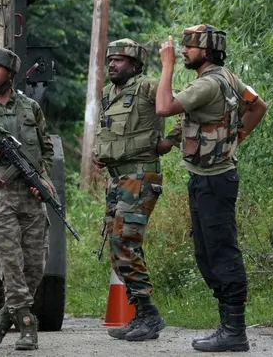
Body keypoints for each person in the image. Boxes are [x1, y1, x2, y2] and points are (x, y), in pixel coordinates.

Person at [156, 25, 267, 353]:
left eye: (189, 47)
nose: (183, 52)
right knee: (207, 253)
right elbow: (258, 106)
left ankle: (235, 331)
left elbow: (164, 107)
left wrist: (166, 67)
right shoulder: (229, 78)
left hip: (215, 180)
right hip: (208, 178)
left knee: (221, 252)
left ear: (206, 51)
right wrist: (234, 138)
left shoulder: (207, 84)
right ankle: (228, 327)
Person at [95, 38, 175, 342]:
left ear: (135, 64)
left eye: (120, 60)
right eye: (111, 59)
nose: (113, 65)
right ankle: (141, 313)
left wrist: (172, 140)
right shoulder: (108, 94)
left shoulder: (148, 87)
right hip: (117, 178)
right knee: (117, 248)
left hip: (140, 176)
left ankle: (149, 315)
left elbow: (185, 108)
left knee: (126, 242)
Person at [0, 47, 54, 351]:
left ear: (10, 73)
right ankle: (27, 324)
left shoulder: (30, 107)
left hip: (32, 197)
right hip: (0, 196)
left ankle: (1, 322)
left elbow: (45, 147)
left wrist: (43, 179)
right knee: (11, 264)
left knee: (35, 265)